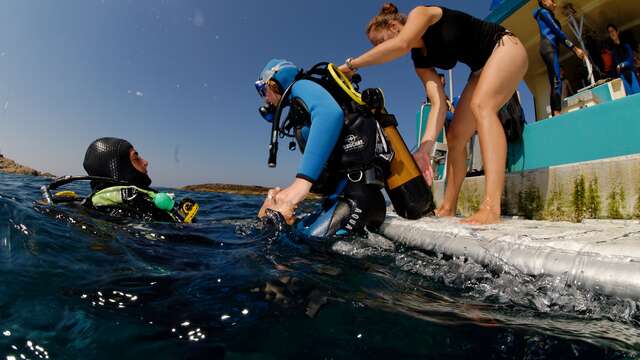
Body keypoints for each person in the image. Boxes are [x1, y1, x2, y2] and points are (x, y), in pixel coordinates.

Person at [338, 3, 528, 224]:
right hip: (479, 71)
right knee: (456, 136)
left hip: (505, 47)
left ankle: (491, 207)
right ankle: (448, 206)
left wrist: (351, 65)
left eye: (379, 43)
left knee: (482, 106)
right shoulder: (419, 60)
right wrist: (426, 146)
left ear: (393, 26)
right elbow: (439, 104)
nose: (378, 49)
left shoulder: (422, 13)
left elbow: (402, 43)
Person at [255, 59, 387, 237]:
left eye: (263, 90)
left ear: (275, 81)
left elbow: (330, 113)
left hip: (356, 198)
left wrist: (301, 183)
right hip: (338, 200)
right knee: (285, 230)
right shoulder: (298, 107)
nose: (265, 98)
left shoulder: (301, 86)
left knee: (303, 246)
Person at [42, 137, 199, 223]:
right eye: (136, 157)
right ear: (118, 168)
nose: (145, 162)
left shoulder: (91, 205)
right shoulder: (137, 204)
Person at [533, 0, 585, 117]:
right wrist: (575, 49)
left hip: (549, 48)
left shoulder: (544, 13)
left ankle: (554, 112)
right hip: (548, 47)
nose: (555, 4)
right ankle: (557, 113)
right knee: (557, 80)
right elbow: (558, 32)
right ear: (544, 1)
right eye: (552, 1)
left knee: (554, 81)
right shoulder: (544, 12)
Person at [607, 24, 640, 96]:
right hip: (622, 78)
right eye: (609, 32)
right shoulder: (613, 51)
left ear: (617, 32)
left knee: (638, 96)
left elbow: (630, 60)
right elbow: (614, 66)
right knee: (630, 99)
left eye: (612, 31)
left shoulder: (626, 45)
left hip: (632, 74)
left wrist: (622, 64)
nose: (611, 33)